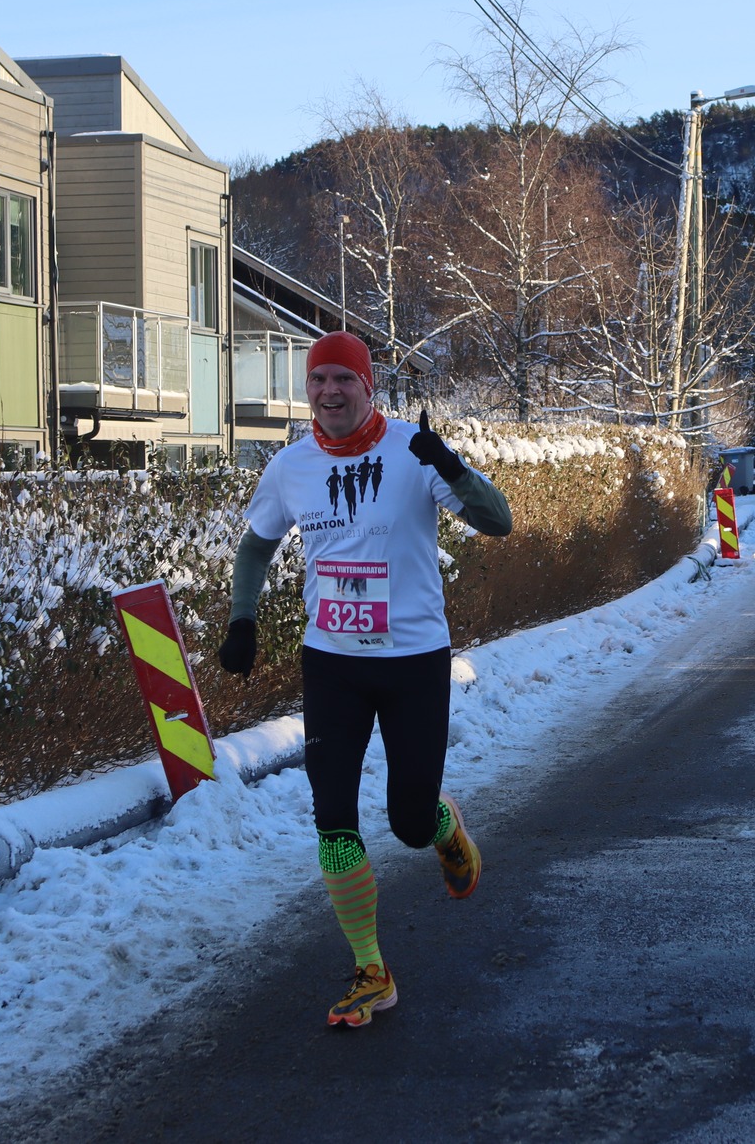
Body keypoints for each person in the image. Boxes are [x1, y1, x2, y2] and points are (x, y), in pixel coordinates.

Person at [216, 331, 513, 1029]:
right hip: (333, 664)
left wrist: (453, 467)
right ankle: (371, 970)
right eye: (317, 380)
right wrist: (242, 619)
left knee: (408, 821)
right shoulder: (291, 466)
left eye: (343, 379)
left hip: (413, 662)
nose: (329, 392)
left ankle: (443, 827)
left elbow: (497, 521)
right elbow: (256, 546)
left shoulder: (413, 449)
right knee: (333, 817)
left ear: (367, 387)